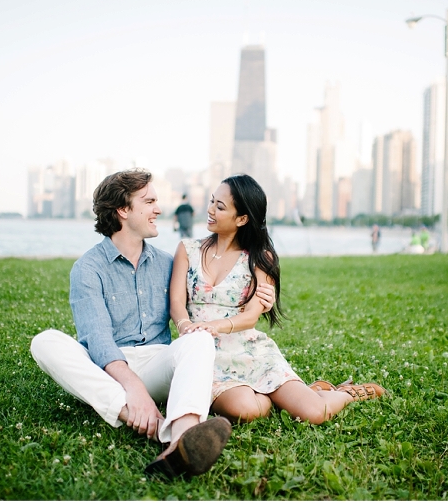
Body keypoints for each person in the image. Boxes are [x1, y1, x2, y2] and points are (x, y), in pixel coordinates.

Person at [30, 169, 276, 480]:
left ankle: (182, 437)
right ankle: (137, 416)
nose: (158, 209)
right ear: (123, 210)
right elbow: (98, 340)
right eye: (149, 201)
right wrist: (134, 391)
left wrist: (260, 298)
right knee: (45, 342)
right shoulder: (87, 269)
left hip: (159, 362)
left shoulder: (168, 263)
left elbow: (207, 299)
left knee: (198, 339)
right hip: (109, 368)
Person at [170, 174, 385, 426]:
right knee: (246, 410)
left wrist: (212, 326)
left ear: (242, 219)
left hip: (250, 352)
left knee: (315, 413)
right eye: (211, 202)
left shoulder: (260, 258)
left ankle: (345, 394)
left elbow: (251, 317)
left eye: (220, 207)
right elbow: (176, 302)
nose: (210, 210)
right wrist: (186, 326)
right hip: (204, 357)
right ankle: (297, 393)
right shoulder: (188, 249)